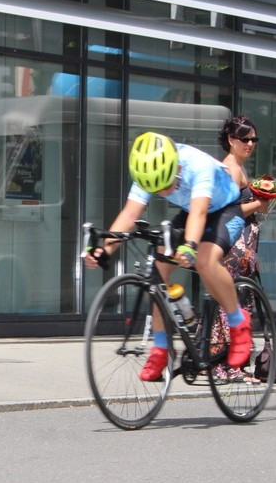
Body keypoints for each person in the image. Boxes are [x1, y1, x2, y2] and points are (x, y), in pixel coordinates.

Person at [83, 131, 252, 381]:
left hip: (226, 208)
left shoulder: (198, 167)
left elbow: (199, 213)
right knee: (159, 272)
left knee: (205, 260)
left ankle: (239, 323)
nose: (162, 193)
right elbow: (130, 215)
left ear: (177, 166)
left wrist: (189, 245)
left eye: (166, 185)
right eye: (156, 189)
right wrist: (104, 249)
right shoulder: (148, 169)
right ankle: (162, 348)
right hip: (190, 209)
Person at [210, 115, 273, 382]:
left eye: (253, 139)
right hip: (234, 245)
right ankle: (228, 366)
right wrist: (258, 204)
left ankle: (226, 363)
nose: (250, 143)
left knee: (235, 303)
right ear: (230, 140)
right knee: (233, 304)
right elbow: (225, 211)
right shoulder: (231, 169)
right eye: (244, 139)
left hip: (242, 246)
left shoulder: (239, 167)